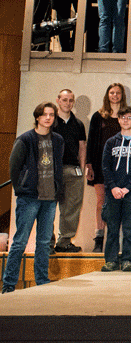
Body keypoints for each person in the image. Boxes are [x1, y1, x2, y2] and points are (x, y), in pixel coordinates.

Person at [2, 103, 64, 293]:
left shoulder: (58, 140)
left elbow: (58, 167)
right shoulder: (25, 139)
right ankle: (9, 285)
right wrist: (22, 188)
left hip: (49, 198)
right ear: (37, 117)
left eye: (51, 115)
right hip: (29, 197)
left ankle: (42, 281)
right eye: (44, 114)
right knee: (20, 241)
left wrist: (57, 190)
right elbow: (14, 167)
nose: (48, 118)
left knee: (44, 242)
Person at [101, 106, 131, 272]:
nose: (126, 120)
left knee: (129, 229)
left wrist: (128, 188)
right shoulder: (110, 142)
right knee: (113, 228)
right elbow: (105, 167)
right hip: (112, 192)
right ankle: (111, 260)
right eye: (123, 117)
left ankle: (127, 259)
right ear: (119, 119)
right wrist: (114, 187)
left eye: (129, 117)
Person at [86, 82, 126, 253]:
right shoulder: (98, 116)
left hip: (121, 167)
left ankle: (116, 240)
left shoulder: (127, 115)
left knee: (119, 203)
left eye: (118, 93)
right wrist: (89, 164)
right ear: (107, 95)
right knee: (101, 203)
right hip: (100, 165)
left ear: (122, 95)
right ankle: (99, 238)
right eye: (112, 93)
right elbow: (91, 142)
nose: (115, 95)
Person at [52, 89, 86, 253]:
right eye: (64, 100)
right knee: (49, 207)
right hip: (52, 171)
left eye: (70, 100)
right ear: (58, 100)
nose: (68, 103)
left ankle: (64, 242)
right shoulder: (50, 121)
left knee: (71, 208)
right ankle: (47, 242)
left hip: (73, 171)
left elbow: (82, 148)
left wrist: (82, 169)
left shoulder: (78, 124)